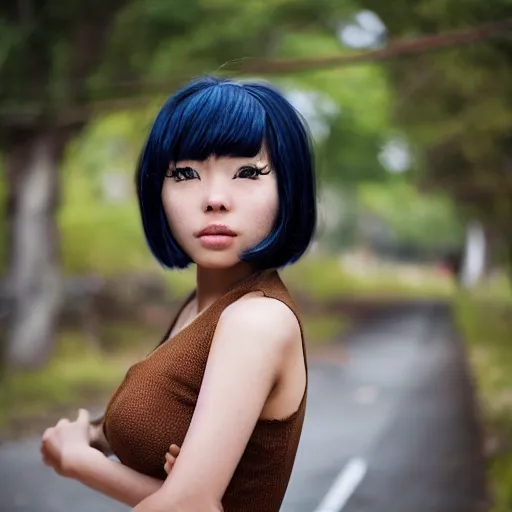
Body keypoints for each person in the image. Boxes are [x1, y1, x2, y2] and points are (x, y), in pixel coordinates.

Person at [40, 75, 317, 512]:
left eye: (247, 172)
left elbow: (190, 507)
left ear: (290, 189)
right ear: (158, 191)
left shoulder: (256, 321)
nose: (215, 198)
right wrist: (94, 434)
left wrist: (78, 461)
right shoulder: (200, 307)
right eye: (185, 173)